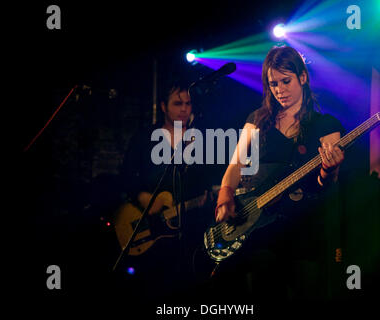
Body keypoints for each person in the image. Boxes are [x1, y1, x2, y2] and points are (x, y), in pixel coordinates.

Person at [212, 46, 346, 302]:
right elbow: (236, 165)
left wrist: (329, 169)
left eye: (286, 81)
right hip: (261, 228)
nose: (280, 90)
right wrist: (225, 196)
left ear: (303, 78)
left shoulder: (325, 125)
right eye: (273, 84)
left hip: (304, 228)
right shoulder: (257, 119)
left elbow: (328, 183)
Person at [116, 75, 214, 300]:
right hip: (151, 233)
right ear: (163, 106)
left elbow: (210, 178)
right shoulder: (145, 138)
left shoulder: (201, 139)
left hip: (190, 232)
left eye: (188, 104)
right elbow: (126, 176)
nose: (184, 109)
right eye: (177, 103)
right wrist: (142, 197)